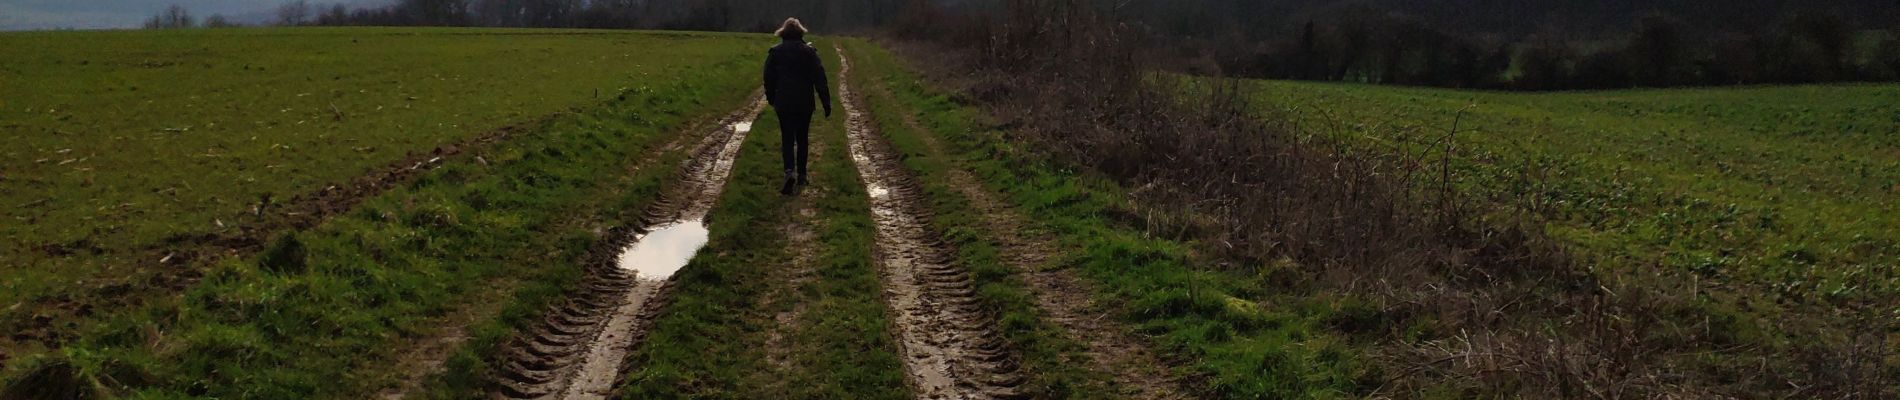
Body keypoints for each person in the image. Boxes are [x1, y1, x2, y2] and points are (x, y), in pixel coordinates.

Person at [763, 17, 832, 195]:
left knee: (787, 138)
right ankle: (802, 175)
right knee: (802, 138)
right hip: (804, 102)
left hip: (784, 102)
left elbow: (768, 77)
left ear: (783, 33)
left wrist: (771, 98)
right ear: (801, 32)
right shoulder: (809, 52)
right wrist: (826, 103)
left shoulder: (775, 52)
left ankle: (788, 172)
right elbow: (820, 78)